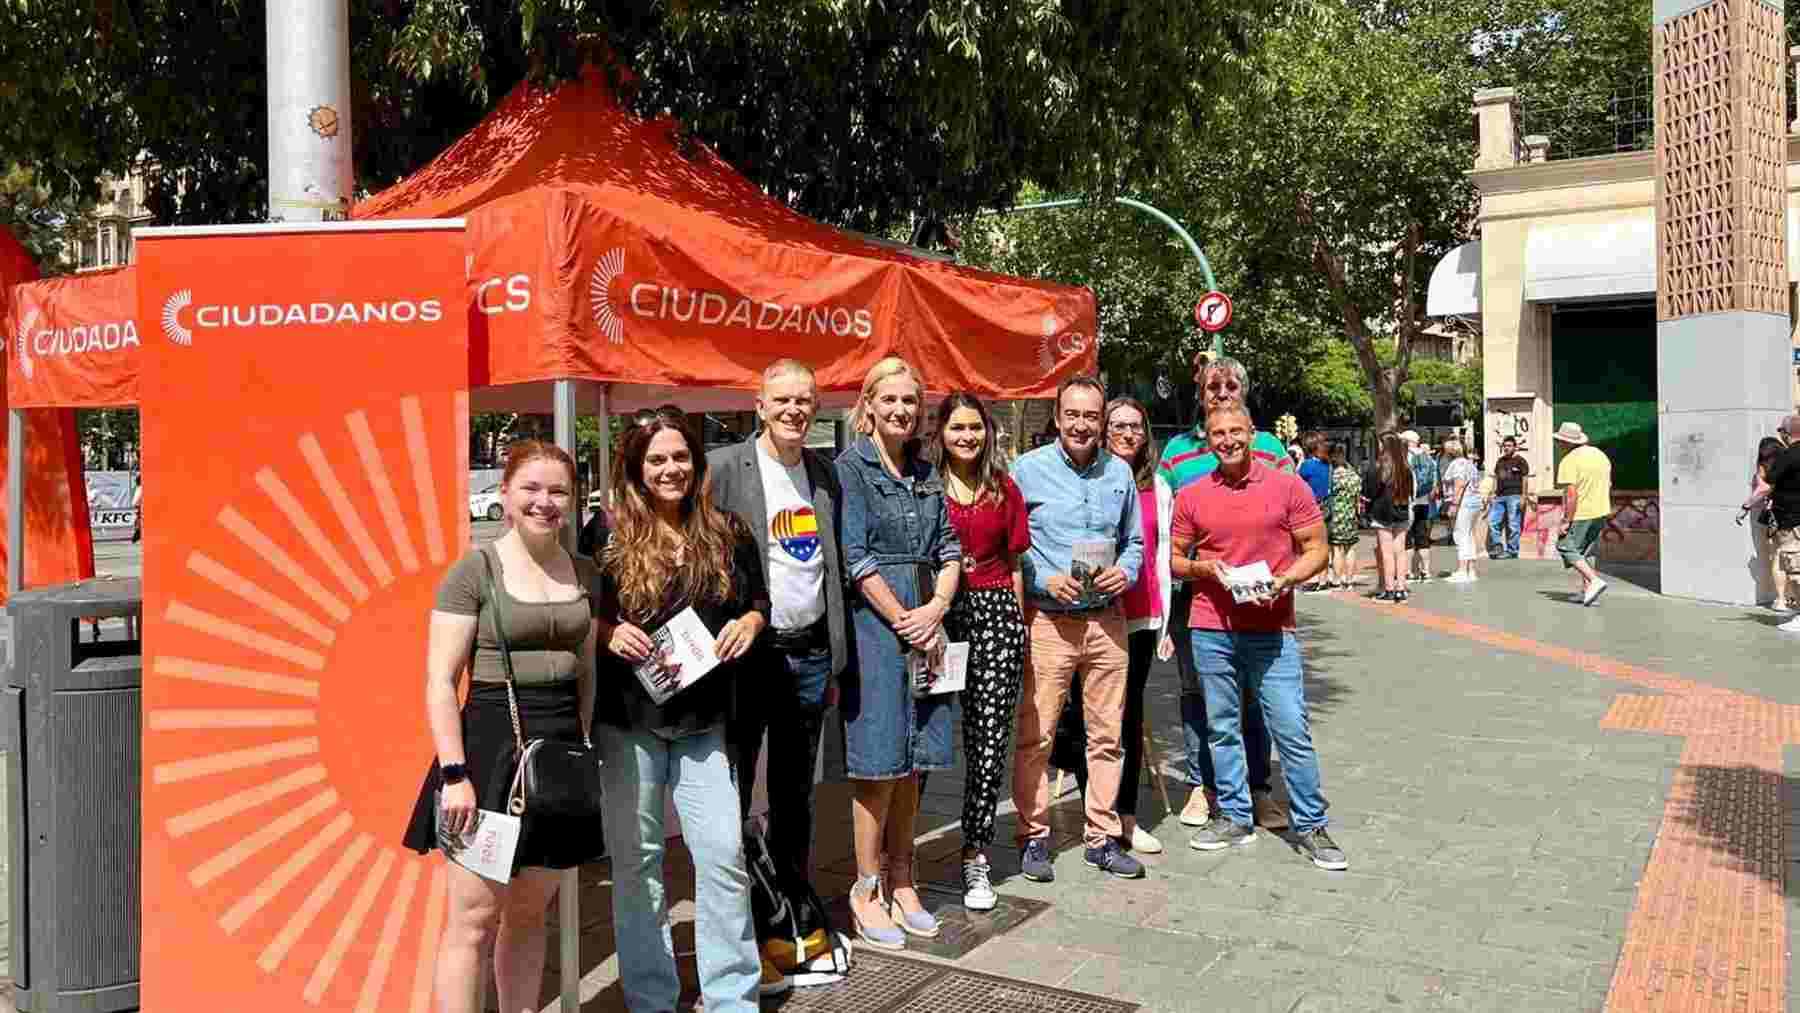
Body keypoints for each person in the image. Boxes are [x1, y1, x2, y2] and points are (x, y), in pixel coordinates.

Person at [403, 440, 604, 1013]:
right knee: (473, 920)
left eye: (559, 490)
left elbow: (587, 671)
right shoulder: (475, 570)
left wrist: (583, 752)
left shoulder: (587, 572)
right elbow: (441, 681)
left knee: (527, 914)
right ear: (507, 495)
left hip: (559, 756)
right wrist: (455, 773)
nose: (545, 501)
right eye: (531, 489)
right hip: (489, 753)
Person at [593, 408, 767, 1013]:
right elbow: (583, 609)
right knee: (637, 863)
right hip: (628, 721)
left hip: (705, 721)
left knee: (722, 854)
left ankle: (732, 997)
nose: (671, 469)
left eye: (680, 457)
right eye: (657, 460)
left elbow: (757, 600)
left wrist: (749, 622)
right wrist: (606, 631)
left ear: (696, 461)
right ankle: (650, 998)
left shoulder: (727, 530)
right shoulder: (607, 530)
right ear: (637, 470)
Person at [1170, 401, 1344, 870]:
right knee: (1221, 728)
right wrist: (1205, 568)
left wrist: (1285, 581)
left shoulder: (1288, 486)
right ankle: (1233, 816)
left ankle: (1311, 825)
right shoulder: (1191, 494)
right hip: (1211, 628)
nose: (1227, 440)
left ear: (1252, 433)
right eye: (1217, 433)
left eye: (1236, 431)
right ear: (1207, 440)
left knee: (1290, 727)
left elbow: (1318, 550)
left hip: (1272, 628)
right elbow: (1175, 560)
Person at [835, 357, 963, 948]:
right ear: (868, 405)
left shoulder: (926, 472)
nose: (901, 411)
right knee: (878, 764)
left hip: (927, 624)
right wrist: (904, 619)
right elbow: (855, 558)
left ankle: (904, 879)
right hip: (877, 627)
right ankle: (865, 889)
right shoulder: (850, 470)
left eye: (910, 401)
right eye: (889, 400)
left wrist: (936, 608)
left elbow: (949, 548)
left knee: (915, 761)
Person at [706, 360, 848, 887]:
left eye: (804, 400)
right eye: (782, 400)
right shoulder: (722, 468)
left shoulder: (823, 471)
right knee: (733, 789)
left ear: (816, 407)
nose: (794, 410)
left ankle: (792, 902)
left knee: (795, 795)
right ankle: (742, 905)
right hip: (748, 657)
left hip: (809, 656)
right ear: (760, 405)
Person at [1011, 376, 1147, 881]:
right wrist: (1041, 576)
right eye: (1073, 414)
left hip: (1107, 621)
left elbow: (1134, 541)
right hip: (1049, 621)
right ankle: (1033, 837)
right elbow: (1012, 543)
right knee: (1037, 737)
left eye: (1092, 416)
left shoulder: (1120, 474)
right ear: (1058, 415)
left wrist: (1126, 571)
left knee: (1108, 736)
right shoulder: (1028, 470)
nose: (1082, 425)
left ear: (1103, 419)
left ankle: (1101, 837)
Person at [1158, 353, 1289, 834]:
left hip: (1256, 596)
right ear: (1200, 392)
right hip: (1197, 594)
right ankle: (1203, 785)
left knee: (1253, 695)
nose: (1222, 392)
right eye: (1213, 385)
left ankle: (1259, 790)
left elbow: (1293, 517)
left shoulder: (1270, 445)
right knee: (1196, 694)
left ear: (1245, 392)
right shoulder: (1175, 452)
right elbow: (1164, 530)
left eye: (1231, 384)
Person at [1046, 396, 1174, 858]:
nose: (1126, 433)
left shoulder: (1157, 486)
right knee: (1085, 717)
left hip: (1139, 614)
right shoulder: (1089, 478)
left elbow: (1157, 554)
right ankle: (1094, 811)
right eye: (1117, 424)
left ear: (1145, 434)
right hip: (1088, 611)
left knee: (1127, 717)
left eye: (1135, 426)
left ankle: (1126, 817)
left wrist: (1165, 623)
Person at [931, 392, 1031, 909]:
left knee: (988, 741)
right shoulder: (924, 486)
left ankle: (976, 853)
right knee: (922, 736)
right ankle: (895, 857)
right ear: (941, 434)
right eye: (957, 428)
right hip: (938, 615)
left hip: (995, 614)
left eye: (975, 428)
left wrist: (1017, 623)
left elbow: (1014, 564)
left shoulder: (1003, 489)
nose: (967, 437)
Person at [1552, 422, 1613, 607]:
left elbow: (1571, 494)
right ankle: (1587, 591)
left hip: (1582, 513)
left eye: (1560, 441)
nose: (1558, 444)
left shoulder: (1569, 461)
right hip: (1601, 510)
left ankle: (1594, 581)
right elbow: (1609, 484)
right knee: (1584, 551)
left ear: (1567, 442)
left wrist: (1565, 520)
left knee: (1565, 546)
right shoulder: (1600, 455)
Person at [1748, 416, 1800, 631]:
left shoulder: (1788, 456)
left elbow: (1764, 487)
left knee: (1796, 569)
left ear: (1787, 433)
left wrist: (1746, 505)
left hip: (1792, 520)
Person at [1361, 433, 1414, 602]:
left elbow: (1367, 493)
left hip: (1381, 512)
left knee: (1387, 552)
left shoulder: (1377, 467)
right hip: (1402, 511)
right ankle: (1401, 589)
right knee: (1400, 551)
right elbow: (1411, 492)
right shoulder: (1405, 468)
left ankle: (1389, 589)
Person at [1742, 434, 1789, 610]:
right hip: (1792, 512)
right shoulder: (1789, 460)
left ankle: (1782, 599)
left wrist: (1746, 506)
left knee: (1777, 555)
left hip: (1777, 515)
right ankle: (1790, 597)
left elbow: (1763, 488)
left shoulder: (1764, 467)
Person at [1439, 438, 1482, 583]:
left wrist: (1454, 504)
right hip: (1474, 501)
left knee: (1460, 535)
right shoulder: (1469, 463)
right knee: (1469, 535)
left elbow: (1459, 484)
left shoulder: (1457, 464)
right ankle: (1471, 570)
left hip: (1464, 503)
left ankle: (1463, 570)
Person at [1297, 433, 1332, 592]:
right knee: (1324, 544)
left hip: (1311, 508)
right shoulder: (1327, 464)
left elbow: (1296, 484)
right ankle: (1323, 579)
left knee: (1310, 545)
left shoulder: (1307, 466)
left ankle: (1312, 578)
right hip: (1327, 506)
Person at [1402, 431, 1439, 582]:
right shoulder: (1428, 457)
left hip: (1409, 500)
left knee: (1407, 538)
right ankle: (1425, 571)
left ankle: (1409, 572)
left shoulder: (1407, 456)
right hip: (1424, 501)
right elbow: (1434, 480)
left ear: (1408, 441)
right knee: (1422, 537)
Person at [1325, 441, 1361, 589]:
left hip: (1336, 515)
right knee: (1350, 547)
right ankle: (1350, 579)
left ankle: (1337, 579)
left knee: (1337, 548)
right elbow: (1357, 495)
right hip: (1350, 513)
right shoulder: (1353, 474)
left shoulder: (1332, 475)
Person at [1488, 437, 1530, 559]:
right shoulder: (1500, 461)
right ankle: (1497, 546)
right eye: (1505, 445)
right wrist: (1492, 493)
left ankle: (1512, 551)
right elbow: (1496, 478)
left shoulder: (1520, 461)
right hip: (1499, 496)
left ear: (1515, 447)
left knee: (1513, 525)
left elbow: (1525, 479)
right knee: (1493, 522)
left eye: (1509, 445)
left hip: (1515, 496)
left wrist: (1524, 496)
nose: (1506, 447)